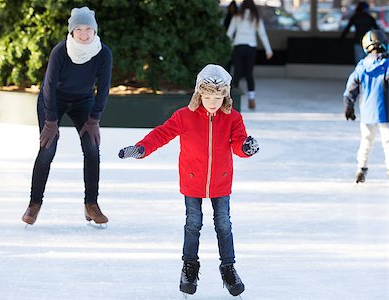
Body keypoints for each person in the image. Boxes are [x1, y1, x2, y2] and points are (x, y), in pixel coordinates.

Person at [118, 64, 259, 296]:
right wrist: (141, 148)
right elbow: (162, 134)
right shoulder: (185, 116)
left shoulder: (233, 118)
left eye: (217, 96)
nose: (212, 101)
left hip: (221, 181)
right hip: (192, 179)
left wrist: (247, 148)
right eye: (207, 96)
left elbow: (238, 144)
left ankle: (229, 268)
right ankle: (190, 267)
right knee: (193, 224)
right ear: (198, 94)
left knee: (224, 224)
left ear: (225, 95)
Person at [21, 6, 112, 226]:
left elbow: (104, 87)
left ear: (94, 30)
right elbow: (49, 87)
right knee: (47, 149)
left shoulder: (103, 53)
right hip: (53, 100)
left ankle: (91, 204)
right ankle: (34, 203)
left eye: (88, 29)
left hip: (83, 101)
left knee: (92, 148)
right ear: (71, 31)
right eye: (78, 29)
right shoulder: (60, 52)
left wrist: (94, 119)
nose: (83, 34)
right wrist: (51, 122)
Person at [343, 29, 389, 183]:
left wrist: (349, 105)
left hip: (367, 112)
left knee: (366, 140)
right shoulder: (387, 65)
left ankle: (361, 168)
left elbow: (351, 88)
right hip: (385, 112)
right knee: (387, 142)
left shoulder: (362, 66)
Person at [226, 0, 273, 111]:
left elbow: (229, 34)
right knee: (249, 73)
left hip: (238, 46)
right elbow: (263, 34)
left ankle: (233, 101)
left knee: (237, 73)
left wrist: (227, 48)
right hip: (251, 47)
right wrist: (268, 50)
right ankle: (251, 99)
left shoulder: (237, 17)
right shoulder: (256, 18)